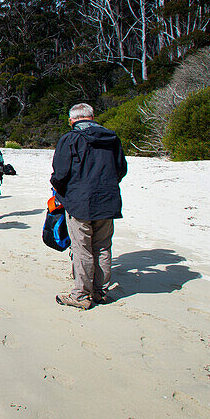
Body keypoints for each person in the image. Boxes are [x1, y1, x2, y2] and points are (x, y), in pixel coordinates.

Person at [50, 103, 128, 310]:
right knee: (102, 246)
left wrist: (61, 191)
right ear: (92, 117)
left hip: (79, 201)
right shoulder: (111, 138)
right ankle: (99, 291)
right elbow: (121, 169)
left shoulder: (70, 138)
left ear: (71, 120)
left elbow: (60, 173)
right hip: (107, 199)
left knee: (82, 247)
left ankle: (81, 294)